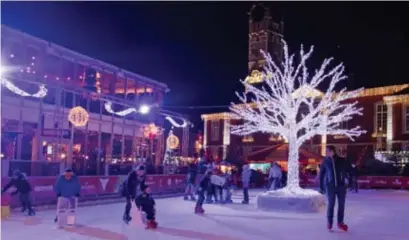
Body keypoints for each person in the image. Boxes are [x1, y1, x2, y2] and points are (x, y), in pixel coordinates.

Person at [319, 145, 352, 232]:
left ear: (332, 151)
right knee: (331, 205)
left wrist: (350, 183)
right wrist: (321, 186)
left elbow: (350, 171)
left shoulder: (342, 161)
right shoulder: (325, 162)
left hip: (341, 187)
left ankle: (340, 223)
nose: (325, 153)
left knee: (341, 205)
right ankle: (330, 222)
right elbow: (321, 174)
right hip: (330, 187)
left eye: (327, 151)